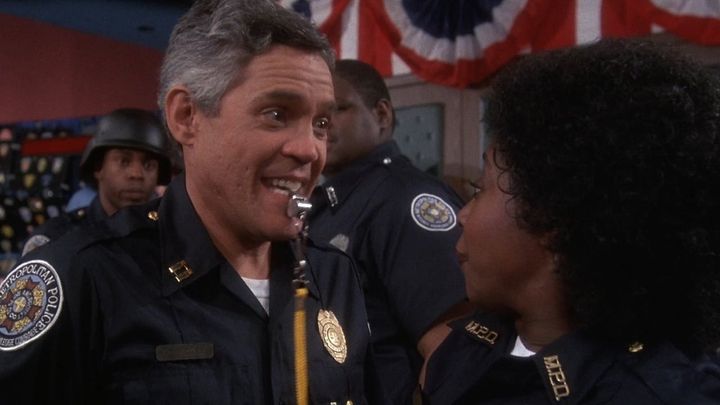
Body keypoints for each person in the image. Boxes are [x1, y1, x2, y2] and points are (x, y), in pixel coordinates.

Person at [0, 1, 379, 404]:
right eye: (276, 114)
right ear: (186, 117)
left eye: (321, 123)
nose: (310, 149)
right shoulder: (83, 278)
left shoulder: (334, 276)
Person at [421, 38, 720, 404]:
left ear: (552, 220)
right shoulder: (462, 351)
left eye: (480, 189)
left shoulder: (660, 393)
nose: (462, 214)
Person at [308, 59, 468, 404]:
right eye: (316, 116)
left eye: (338, 109)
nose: (323, 125)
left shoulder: (404, 200)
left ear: (381, 115)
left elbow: (453, 348)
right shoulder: (328, 204)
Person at [20, 107, 172, 255]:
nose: (137, 174)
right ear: (98, 167)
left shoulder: (172, 237)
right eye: (124, 161)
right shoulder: (57, 239)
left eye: (148, 165)